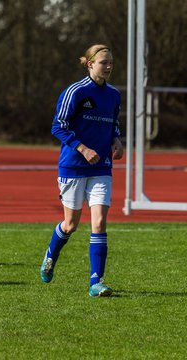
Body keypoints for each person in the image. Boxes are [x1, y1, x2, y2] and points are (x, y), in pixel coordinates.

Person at [40, 44, 123, 297]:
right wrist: (83, 148)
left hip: (101, 167)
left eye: (110, 63)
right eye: (103, 63)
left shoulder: (114, 95)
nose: (108, 67)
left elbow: (113, 123)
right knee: (70, 224)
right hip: (74, 166)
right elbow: (58, 126)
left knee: (98, 223)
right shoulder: (74, 92)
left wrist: (116, 140)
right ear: (90, 64)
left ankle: (96, 282)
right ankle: (51, 254)